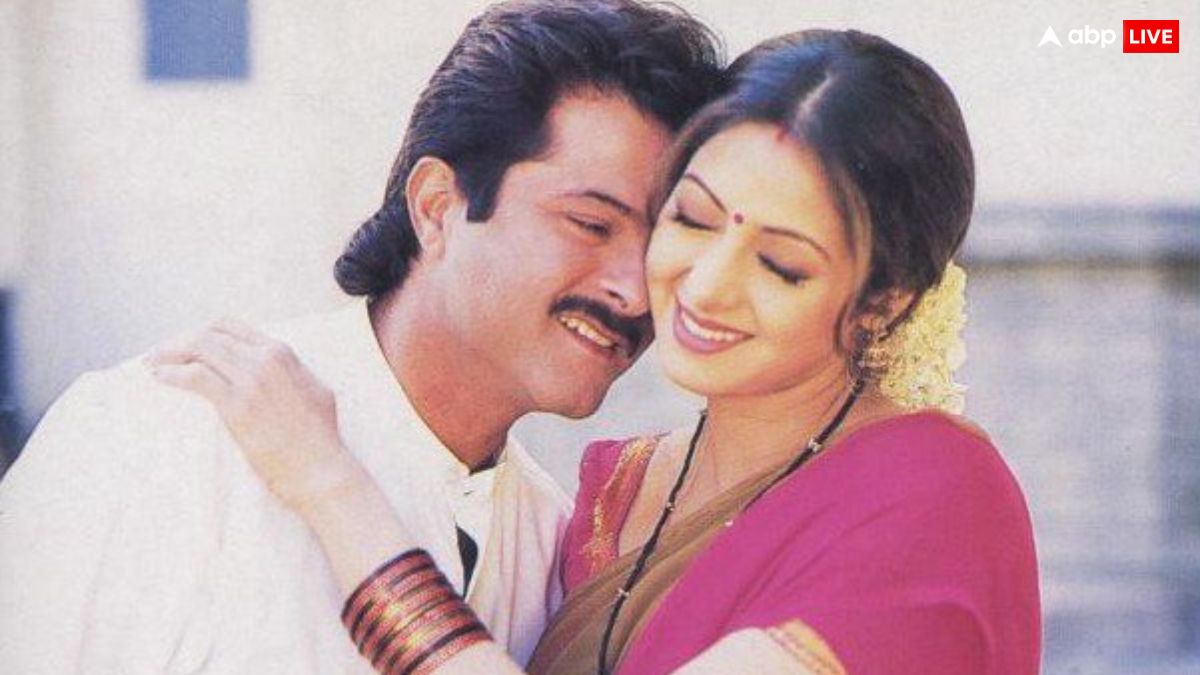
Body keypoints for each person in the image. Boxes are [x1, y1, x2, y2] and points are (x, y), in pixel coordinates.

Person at [151, 28, 1041, 675]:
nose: (706, 284)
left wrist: (329, 486)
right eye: (689, 219)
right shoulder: (607, 498)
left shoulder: (930, 498)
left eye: (780, 264)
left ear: (883, 301)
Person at [0, 2, 723, 672]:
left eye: (663, 245)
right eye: (591, 225)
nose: (636, 292)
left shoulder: (546, 545)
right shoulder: (170, 431)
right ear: (437, 207)